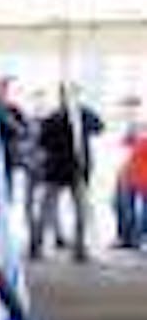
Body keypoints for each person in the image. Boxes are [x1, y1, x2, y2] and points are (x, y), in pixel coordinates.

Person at [29, 85, 104, 262]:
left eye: (76, 94)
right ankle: (36, 246)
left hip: (78, 171)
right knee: (47, 209)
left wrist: (82, 113)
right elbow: (42, 141)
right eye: (70, 95)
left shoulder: (83, 115)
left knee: (80, 211)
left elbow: (99, 127)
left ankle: (79, 249)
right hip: (57, 171)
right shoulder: (53, 118)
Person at [0, 76, 28, 195]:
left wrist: (13, 124)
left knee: (7, 187)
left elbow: (23, 130)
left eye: (5, 87)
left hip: (8, 154)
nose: (3, 90)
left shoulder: (13, 109)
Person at [115, 126, 147, 249]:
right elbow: (124, 142)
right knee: (121, 205)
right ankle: (127, 237)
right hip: (129, 172)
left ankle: (136, 238)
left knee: (142, 211)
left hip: (140, 175)